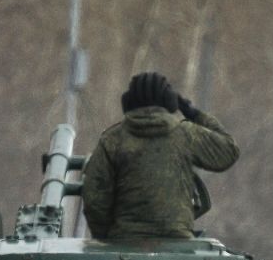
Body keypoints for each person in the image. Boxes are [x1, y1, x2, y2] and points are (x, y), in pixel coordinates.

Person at [80, 72, 238, 241]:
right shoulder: (185, 134)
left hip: (126, 239)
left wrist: (105, 236)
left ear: (128, 102)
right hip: (177, 240)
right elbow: (228, 151)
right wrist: (193, 113)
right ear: (169, 102)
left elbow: (94, 197)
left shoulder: (112, 140)